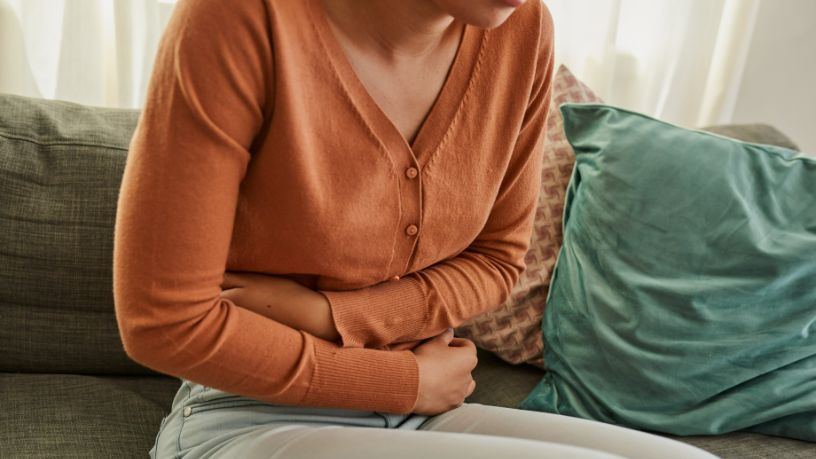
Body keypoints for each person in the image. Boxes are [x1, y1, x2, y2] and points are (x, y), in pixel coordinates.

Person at [112, 0, 717, 457]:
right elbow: (162, 324)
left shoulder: (523, 30)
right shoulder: (243, 20)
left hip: (422, 414)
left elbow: (499, 260)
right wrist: (401, 380)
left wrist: (332, 316)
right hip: (253, 417)